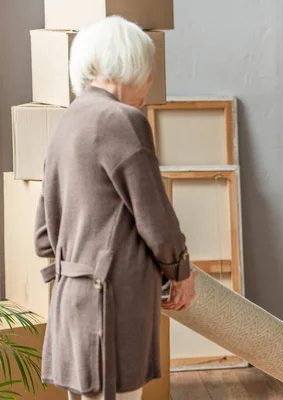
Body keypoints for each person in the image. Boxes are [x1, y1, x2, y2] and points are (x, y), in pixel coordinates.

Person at [34, 16, 197, 400]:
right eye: (149, 73)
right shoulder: (123, 121)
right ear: (130, 65)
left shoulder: (66, 122)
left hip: (72, 298)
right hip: (112, 301)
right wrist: (181, 272)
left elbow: (43, 235)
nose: (149, 85)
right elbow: (155, 217)